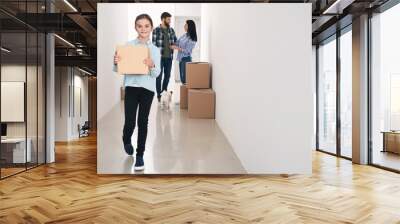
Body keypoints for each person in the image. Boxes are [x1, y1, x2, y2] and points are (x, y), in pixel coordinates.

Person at [113, 14, 161, 171]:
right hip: (131, 87)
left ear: (151, 28)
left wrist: (152, 65)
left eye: (147, 26)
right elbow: (119, 69)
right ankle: (126, 139)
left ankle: (140, 155)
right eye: (140, 26)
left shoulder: (154, 50)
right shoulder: (128, 46)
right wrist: (116, 62)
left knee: (143, 122)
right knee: (130, 122)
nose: (143, 29)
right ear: (135, 27)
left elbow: (156, 74)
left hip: (148, 90)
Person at [152, 12, 177, 102]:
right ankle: (159, 95)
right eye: (168, 19)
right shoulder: (156, 30)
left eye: (170, 19)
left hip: (169, 57)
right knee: (159, 76)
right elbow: (154, 45)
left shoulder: (171, 30)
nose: (170, 21)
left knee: (167, 76)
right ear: (163, 19)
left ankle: (164, 92)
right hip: (159, 58)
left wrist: (174, 45)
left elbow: (175, 41)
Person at [173, 20, 197, 84]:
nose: (184, 26)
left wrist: (177, 48)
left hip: (186, 60)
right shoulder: (185, 35)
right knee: (182, 79)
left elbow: (187, 51)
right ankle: (184, 93)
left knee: (185, 80)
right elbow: (177, 42)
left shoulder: (192, 38)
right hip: (181, 59)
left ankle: (187, 93)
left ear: (190, 27)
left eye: (186, 25)